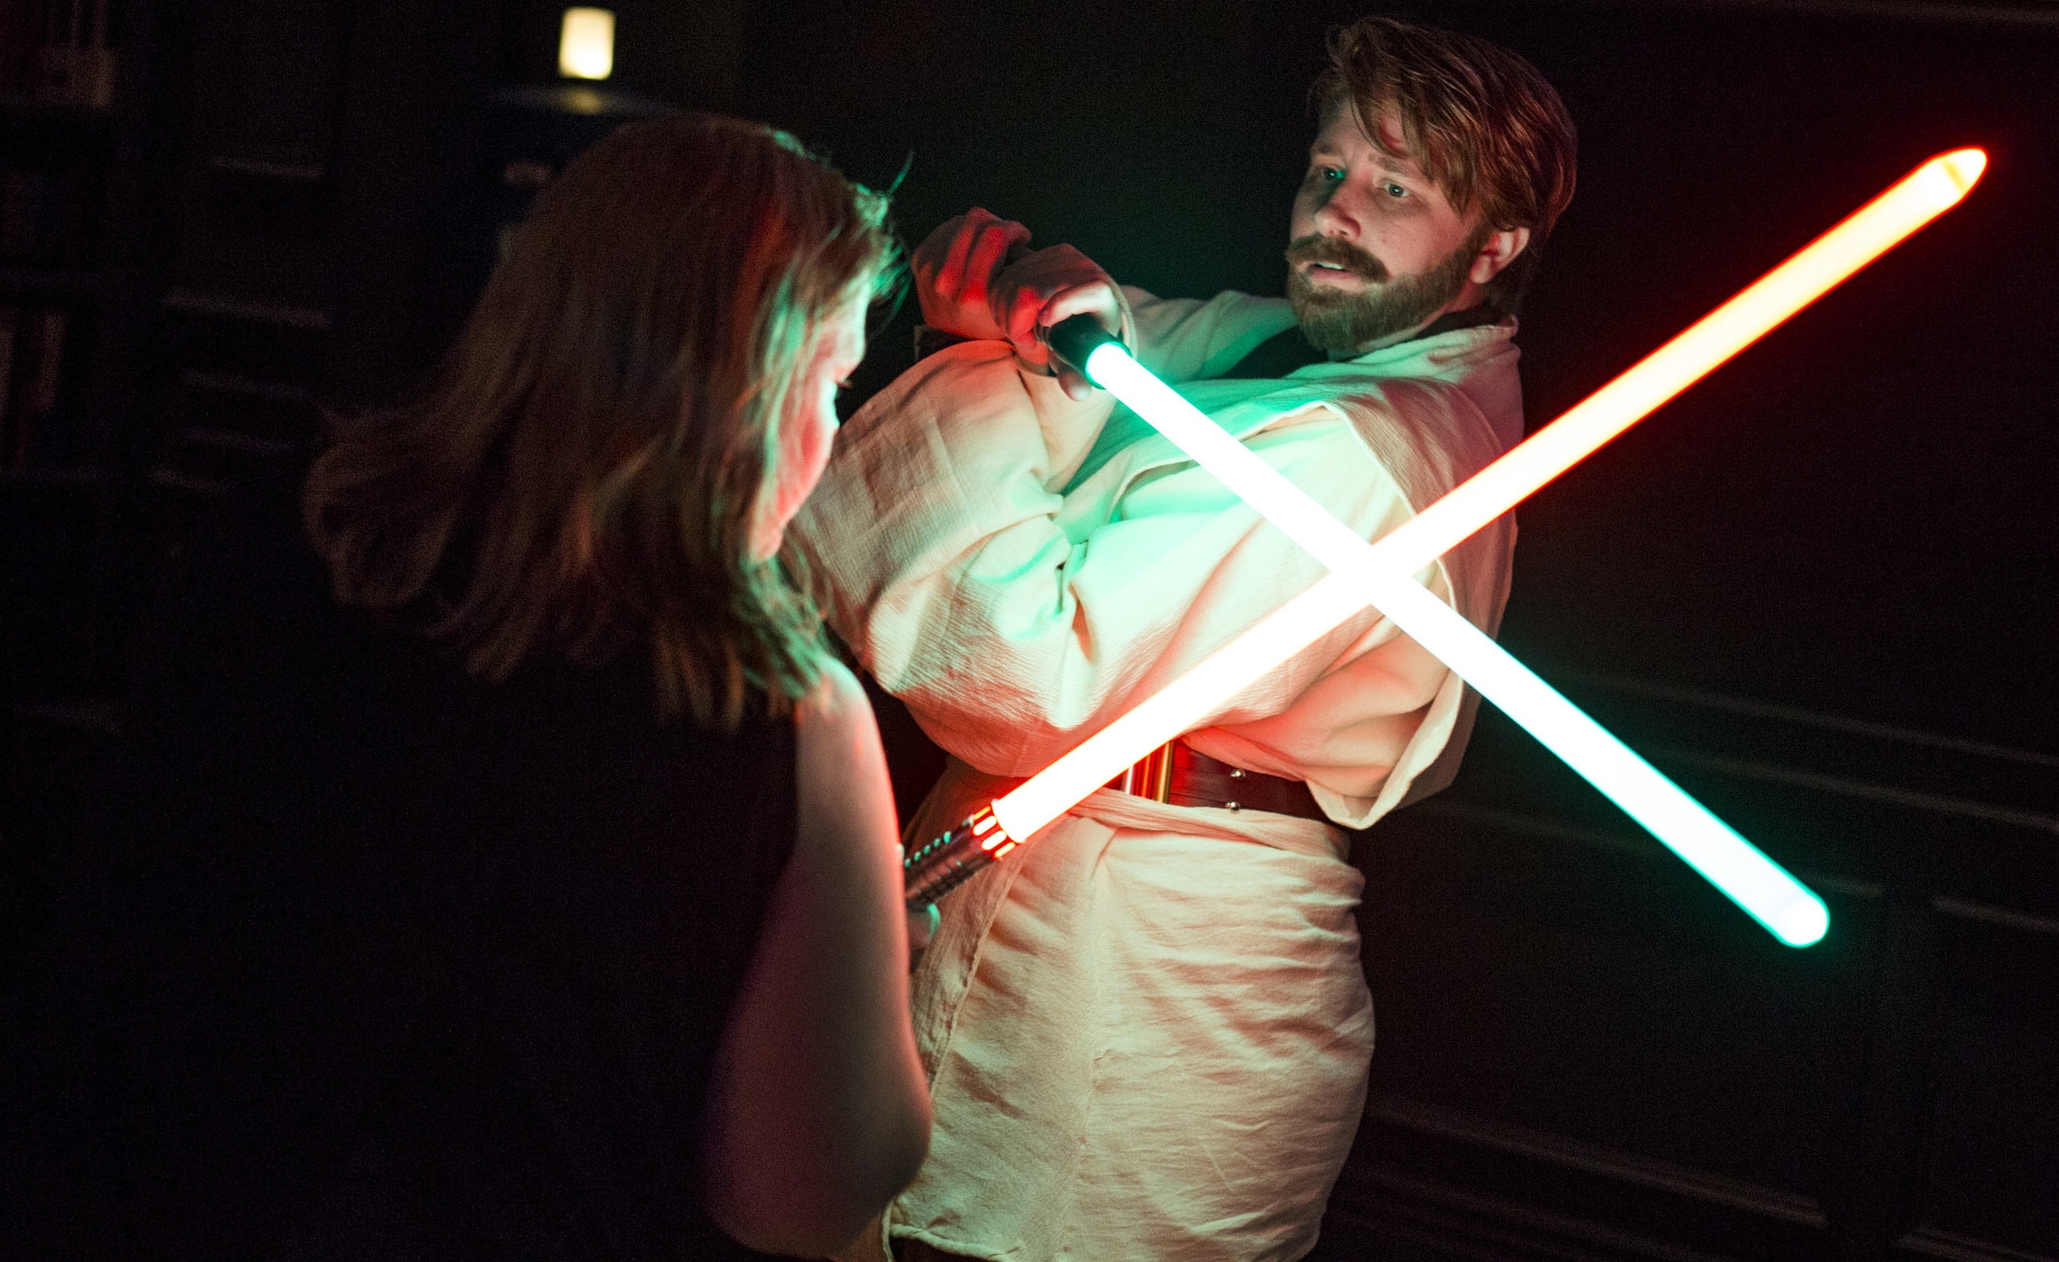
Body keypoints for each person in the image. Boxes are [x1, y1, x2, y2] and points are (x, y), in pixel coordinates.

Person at [785, 17, 1576, 1262]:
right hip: (1073, 908)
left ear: (1494, 246)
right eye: (1327, 171)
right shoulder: (1289, 345)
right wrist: (1023, 288)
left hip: (1136, 989)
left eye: (1394, 189)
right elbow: (1117, 333)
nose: (1335, 213)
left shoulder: (1364, 449)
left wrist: (974, 352)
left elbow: (1029, 672)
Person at [80, 113, 929, 1260]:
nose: (830, 436)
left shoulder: (282, 544)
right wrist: (874, 965)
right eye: (829, 381)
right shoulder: (780, 708)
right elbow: (802, 1194)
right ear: (745, 384)